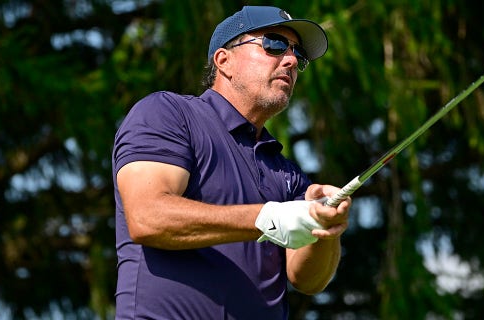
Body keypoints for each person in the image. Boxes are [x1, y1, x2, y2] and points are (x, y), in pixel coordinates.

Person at [112, 5, 352, 319]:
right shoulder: (168, 113)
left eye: (299, 56)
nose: (292, 61)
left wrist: (324, 225)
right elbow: (147, 217)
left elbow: (307, 280)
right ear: (224, 61)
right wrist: (268, 216)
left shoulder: (288, 174)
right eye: (274, 44)